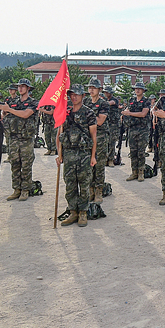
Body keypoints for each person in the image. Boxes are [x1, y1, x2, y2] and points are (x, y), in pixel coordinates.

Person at [56, 84, 98, 226]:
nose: (74, 97)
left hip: (84, 154)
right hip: (68, 153)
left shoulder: (89, 113)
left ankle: (83, 212)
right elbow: (60, 134)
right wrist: (59, 154)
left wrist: (93, 156)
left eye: (77, 94)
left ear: (83, 96)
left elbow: (93, 136)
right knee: (70, 184)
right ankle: (73, 211)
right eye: (71, 94)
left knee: (84, 184)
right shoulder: (65, 112)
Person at [0, 79, 39, 202]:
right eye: (19, 86)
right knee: (15, 164)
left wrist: (9, 109)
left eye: (23, 86)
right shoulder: (13, 102)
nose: (20, 89)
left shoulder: (33, 102)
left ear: (28, 89)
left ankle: (25, 190)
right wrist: (4, 112)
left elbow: (26, 114)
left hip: (26, 138)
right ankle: (16, 189)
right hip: (13, 137)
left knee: (26, 164)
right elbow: (3, 116)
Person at [86, 79, 110, 203]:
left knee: (99, 165)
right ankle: (90, 190)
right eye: (90, 87)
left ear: (99, 89)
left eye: (94, 88)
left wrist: (86, 115)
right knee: (88, 165)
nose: (91, 90)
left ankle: (99, 190)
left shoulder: (103, 103)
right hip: (87, 137)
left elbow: (100, 121)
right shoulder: (85, 101)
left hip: (100, 137)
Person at [122, 81, 151, 182]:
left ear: (143, 90)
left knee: (141, 152)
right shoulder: (131, 100)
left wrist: (129, 113)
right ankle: (134, 172)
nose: (137, 90)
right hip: (132, 129)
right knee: (133, 152)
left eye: (139, 88)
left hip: (143, 130)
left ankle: (141, 172)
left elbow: (143, 114)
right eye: (136, 88)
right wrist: (125, 113)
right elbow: (127, 110)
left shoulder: (146, 101)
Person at [103, 85, 121, 167]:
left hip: (113, 124)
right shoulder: (104, 100)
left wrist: (101, 103)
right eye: (105, 92)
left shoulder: (114, 100)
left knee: (112, 142)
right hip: (106, 123)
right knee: (105, 142)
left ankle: (111, 159)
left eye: (107, 92)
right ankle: (106, 159)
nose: (106, 93)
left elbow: (110, 103)